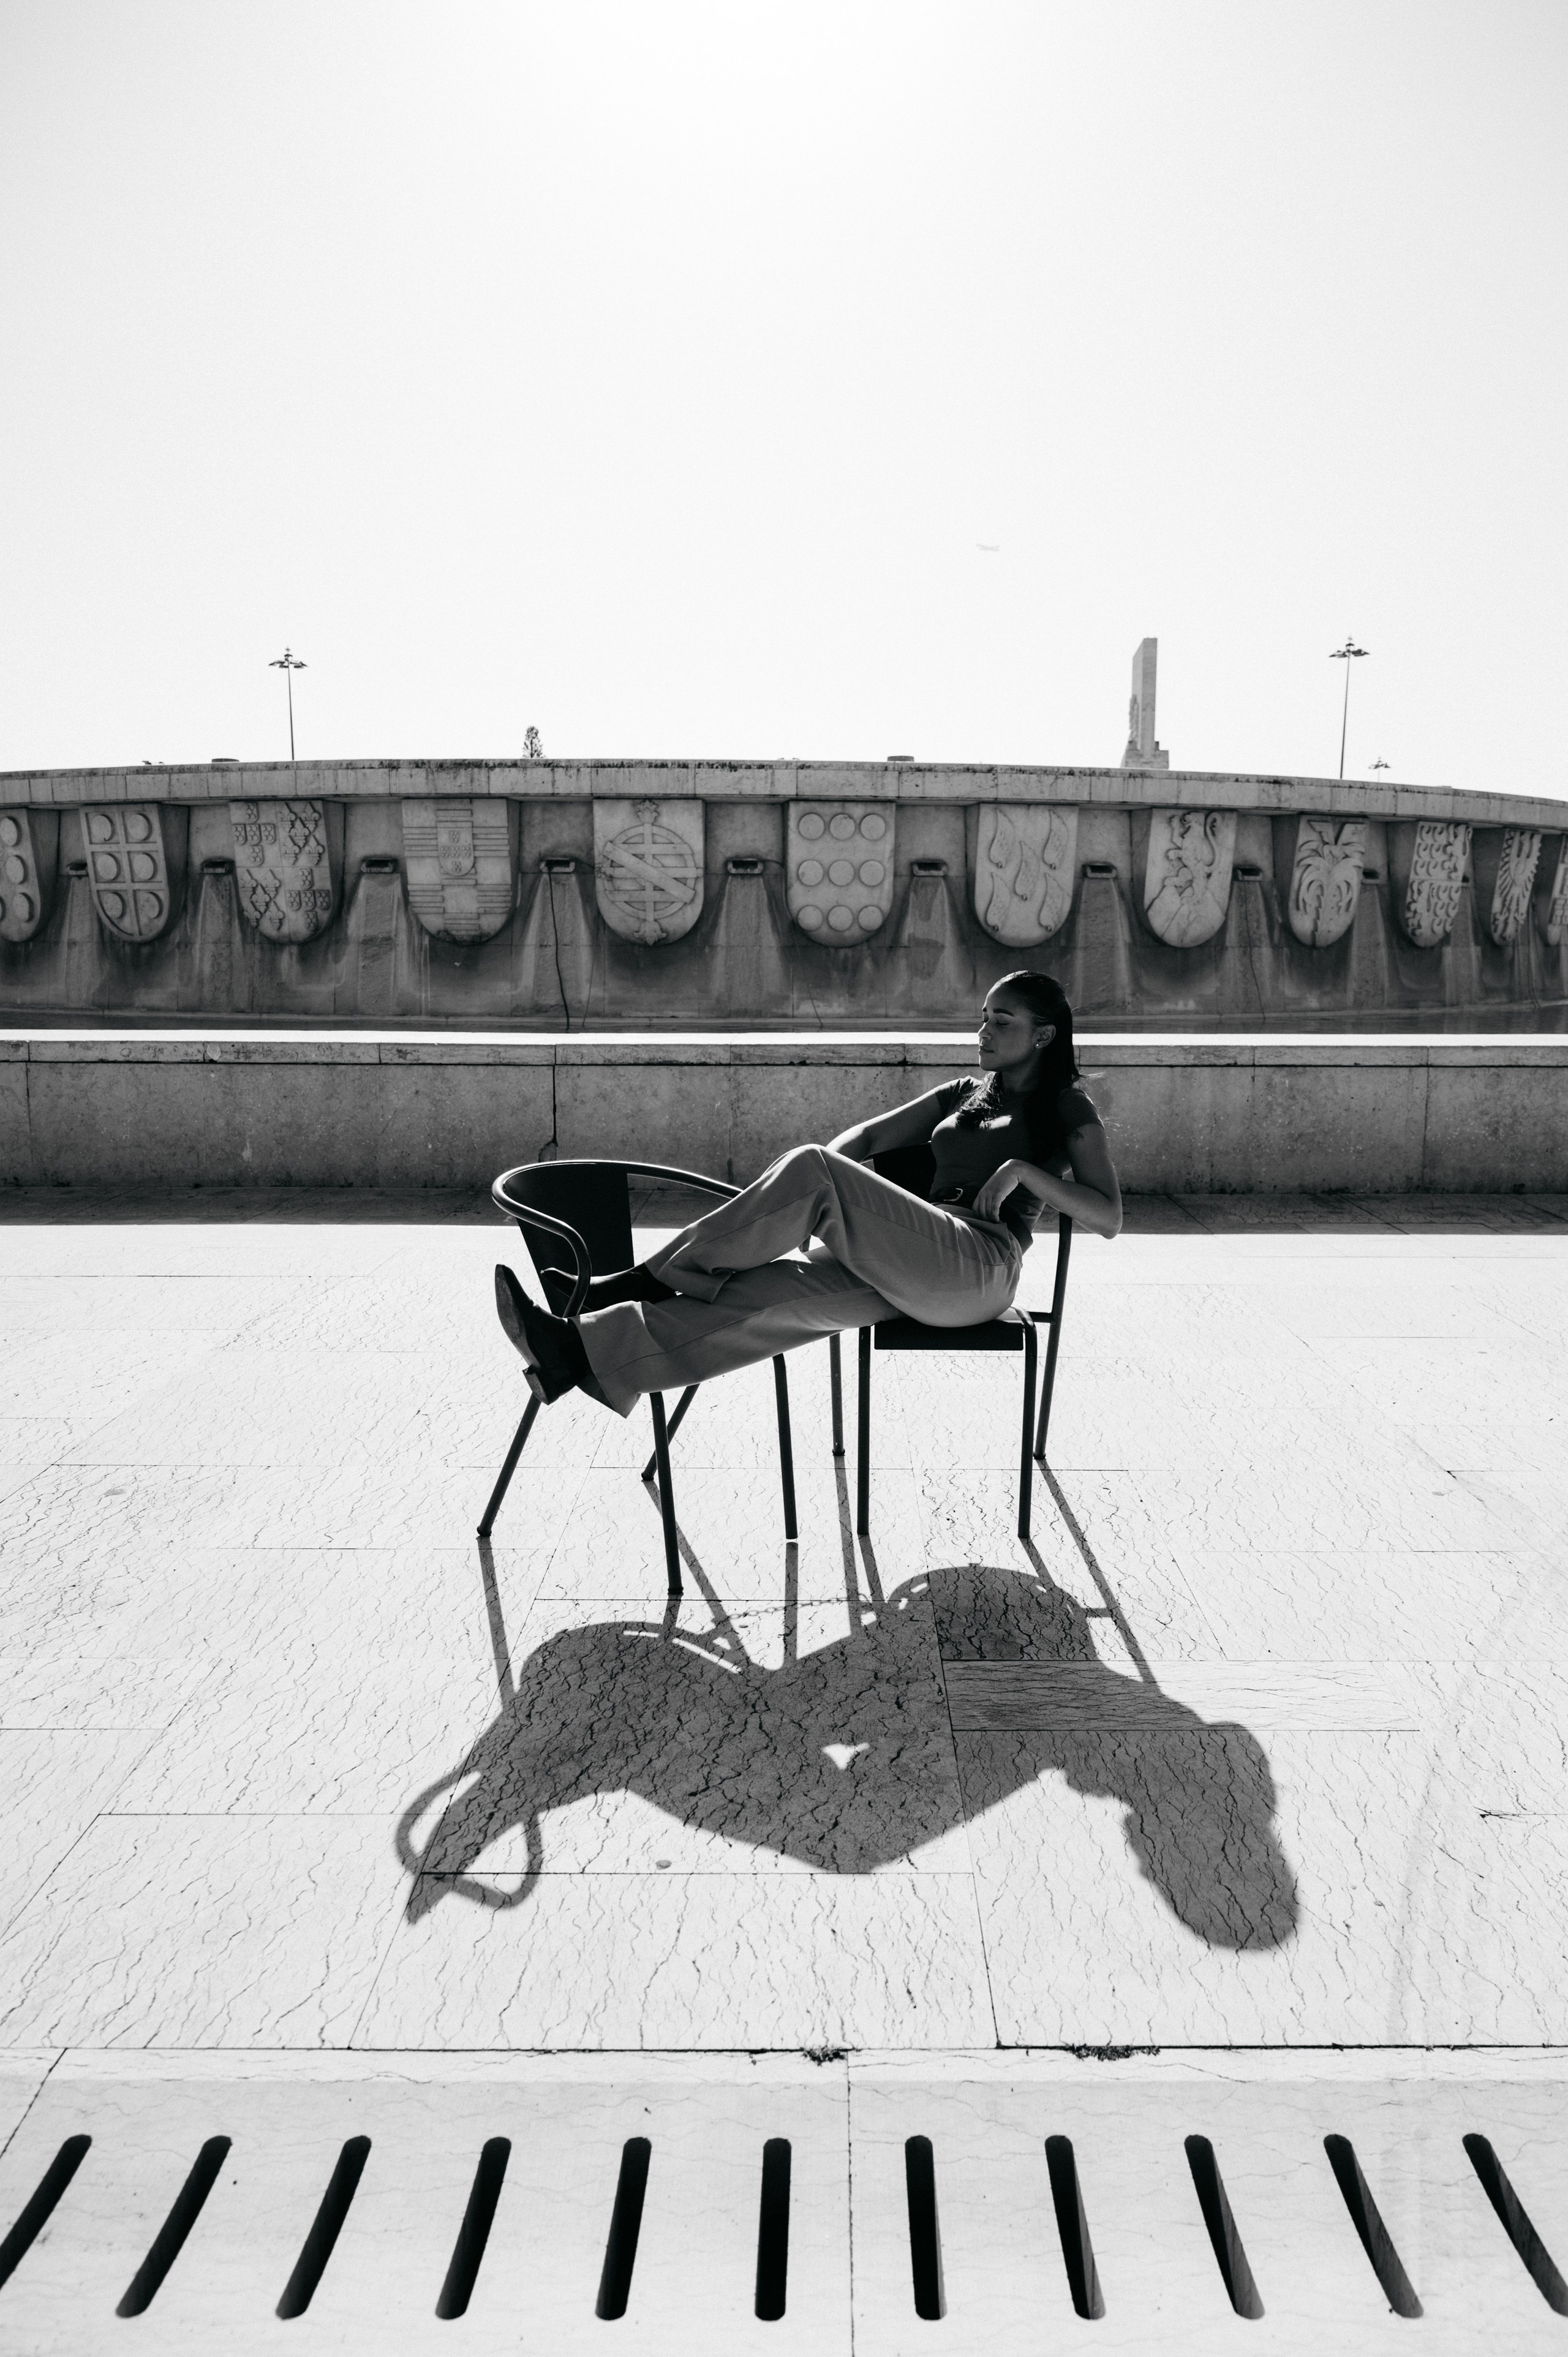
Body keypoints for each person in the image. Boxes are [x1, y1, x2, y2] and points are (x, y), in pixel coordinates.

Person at [493, 968, 1121, 1418]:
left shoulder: (1065, 1104)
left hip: (979, 1267)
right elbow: (867, 1135)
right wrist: (823, 1209)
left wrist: (1021, 1171)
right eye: (982, 1016)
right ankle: (577, 1351)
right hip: (911, 1255)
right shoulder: (965, 1093)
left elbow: (1107, 1216)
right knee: (757, 1297)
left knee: (812, 1167)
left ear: (1043, 1035)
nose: (983, 1030)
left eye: (1002, 1021)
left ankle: (640, 1279)